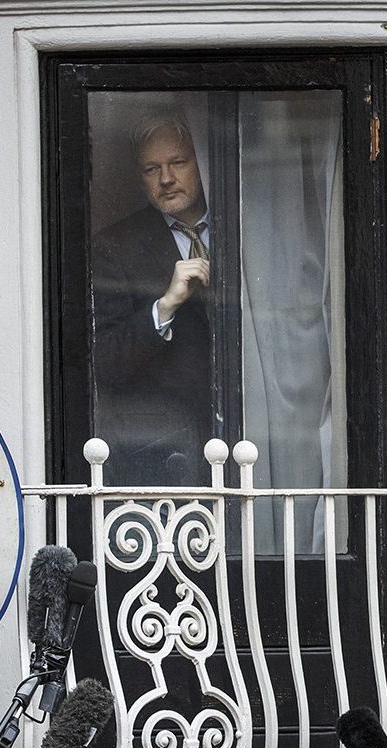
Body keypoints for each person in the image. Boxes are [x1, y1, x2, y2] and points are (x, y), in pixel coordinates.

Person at [90, 114, 215, 485]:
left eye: (178, 162)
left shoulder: (248, 222)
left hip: (255, 433)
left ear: (202, 161)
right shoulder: (115, 246)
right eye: (151, 168)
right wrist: (163, 308)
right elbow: (105, 361)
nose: (166, 178)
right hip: (163, 447)